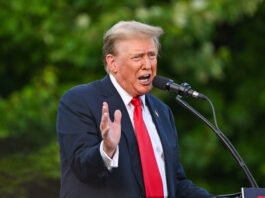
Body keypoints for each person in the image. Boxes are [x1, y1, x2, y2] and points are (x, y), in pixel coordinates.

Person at [56, 20, 213, 198]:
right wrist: (106, 149)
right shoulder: (79, 101)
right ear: (113, 63)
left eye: (152, 55)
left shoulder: (162, 111)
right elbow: (82, 169)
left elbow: (175, 183)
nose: (148, 65)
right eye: (138, 57)